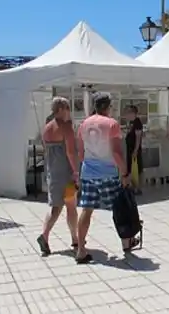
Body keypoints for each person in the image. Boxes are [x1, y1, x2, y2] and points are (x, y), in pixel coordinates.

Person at [75, 92, 133, 263]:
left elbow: (80, 152)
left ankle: (80, 249)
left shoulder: (83, 124)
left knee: (86, 209)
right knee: (119, 208)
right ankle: (126, 242)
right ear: (108, 106)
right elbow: (116, 152)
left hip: (88, 171)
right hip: (107, 171)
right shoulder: (112, 124)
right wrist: (124, 173)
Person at [36, 97, 80, 257]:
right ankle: (75, 238)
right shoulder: (66, 127)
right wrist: (76, 172)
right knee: (71, 206)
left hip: (53, 172)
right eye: (67, 108)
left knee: (55, 207)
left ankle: (45, 235)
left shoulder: (46, 128)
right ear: (61, 109)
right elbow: (70, 152)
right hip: (67, 173)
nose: (69, 111)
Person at [124, 105, 144, 194]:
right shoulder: (130, 122)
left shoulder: (137, 122)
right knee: (130, 168)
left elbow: (138, 137)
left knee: (137, 168)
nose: (126, 114)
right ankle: (132, 186)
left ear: (133, 113)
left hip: (134, 149)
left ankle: (138, 187)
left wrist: (136, 150)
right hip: (129, 148)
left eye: (128, 112)